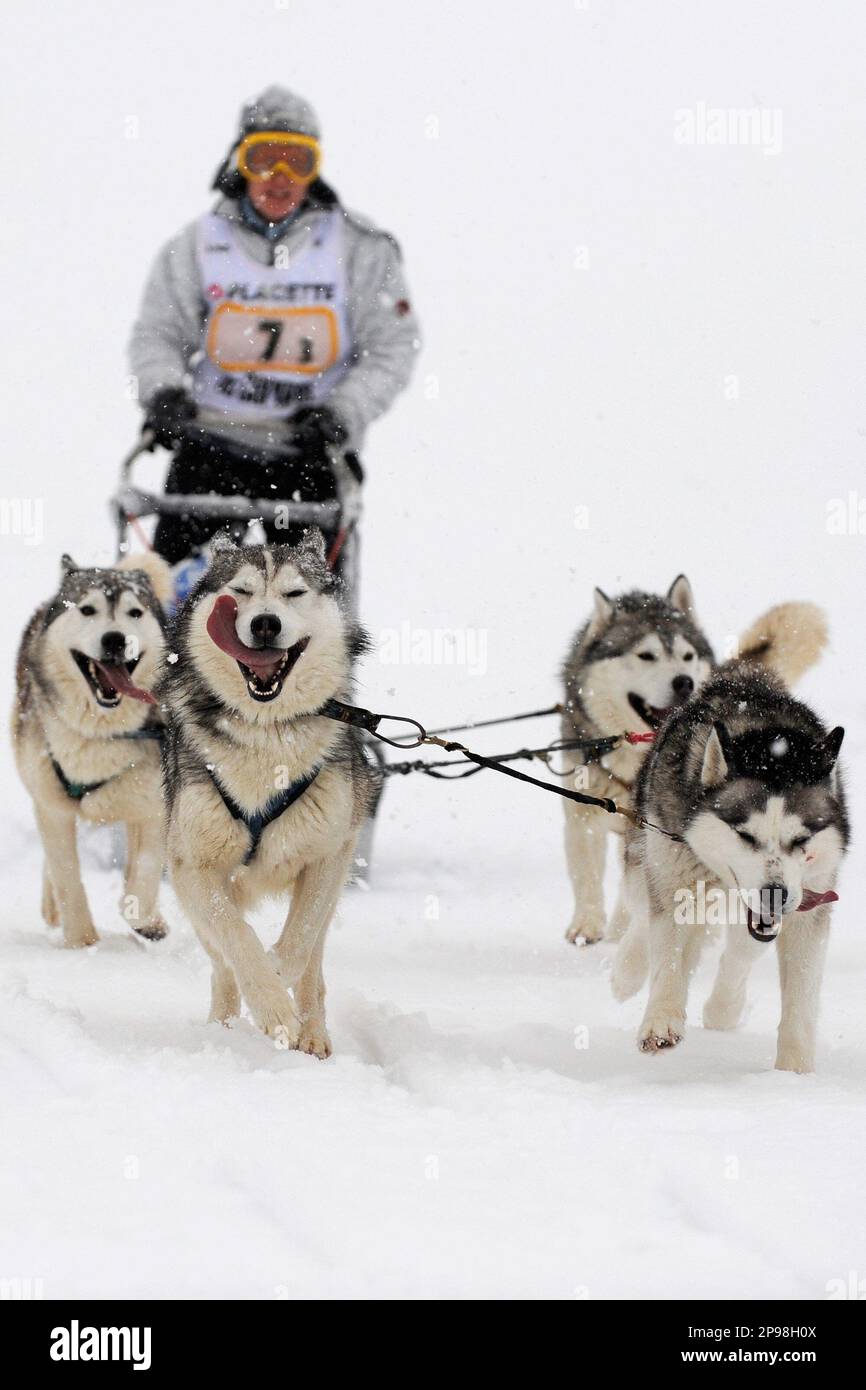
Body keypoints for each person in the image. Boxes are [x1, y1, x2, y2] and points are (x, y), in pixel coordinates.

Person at [128, 84, 420, 568]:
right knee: (178, 598)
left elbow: (392, 348)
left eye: (297, 161)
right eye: (263, 158)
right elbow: (157, 332)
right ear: (238, 163)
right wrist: (161, 392)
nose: (280, 178)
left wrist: (342, 415)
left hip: (310, 450)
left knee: (308, 613)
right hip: (211, 442)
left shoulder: (360, 248)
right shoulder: (198, 245)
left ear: (316, 168)